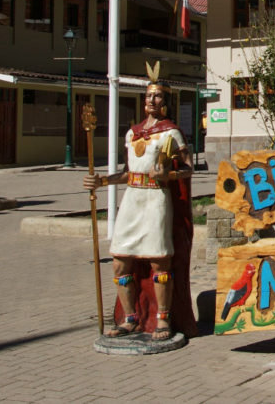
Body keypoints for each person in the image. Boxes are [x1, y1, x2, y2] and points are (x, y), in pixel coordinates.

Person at [84, 63, 197, 341]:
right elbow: (127, 172)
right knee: (121, 260)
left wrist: (168, 173)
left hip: (156, 200)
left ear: (166, 101)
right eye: (148, 95)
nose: (151, 100)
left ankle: (163, 320)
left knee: (160, 261)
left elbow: (189, 168)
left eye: (157, 96)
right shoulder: (132, 133)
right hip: (132, 200)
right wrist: (102, 181)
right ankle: (131, 318)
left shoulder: (171, 132)